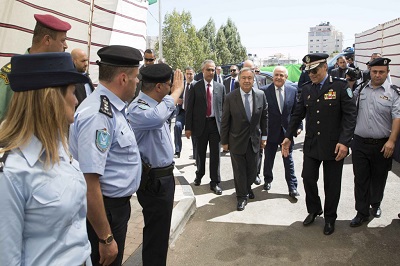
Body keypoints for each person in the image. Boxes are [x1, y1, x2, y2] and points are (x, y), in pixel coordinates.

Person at [0, 52, 91, 265]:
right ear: (51, 98)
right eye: (71, 92)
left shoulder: (59, 149)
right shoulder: (11, 172)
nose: (77, 100)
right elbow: (7, 258)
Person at [69, 45, 142, 266]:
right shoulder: (98, 115)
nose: (137, 82)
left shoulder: (112, 107)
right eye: (135, 77)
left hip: (114, 209)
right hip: (105, 213)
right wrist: (105, 237)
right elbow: (90, 183)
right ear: (122, 78)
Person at [281, 53, 357, 235]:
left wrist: (345, 142)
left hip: (334, 146)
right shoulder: (307, 89)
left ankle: (330, 218)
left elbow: (350, 116)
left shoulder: (339, 86)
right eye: (309, 71)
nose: (312, 75)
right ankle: (314, 209)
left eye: (315, 70)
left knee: (331, 185)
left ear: (324, 67)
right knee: (307, 178)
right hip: (312, 144)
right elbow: (298, 114)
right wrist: (288, 136)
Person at [127, 63, 184, 266]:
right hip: (153, 181)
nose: (171, 89)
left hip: (163, 178)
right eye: (169, 85)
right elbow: (157, 118)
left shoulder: (155, 106)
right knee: (156, 234)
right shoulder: (138, 108)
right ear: (159, 87)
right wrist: (177, 91)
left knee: (160, 233)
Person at [349, 57, 400, 227]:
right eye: (374, 72)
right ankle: (361, 212)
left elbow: (397, 118)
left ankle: (376, 204)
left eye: (381, 72)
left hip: (382, 145)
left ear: (387, 72)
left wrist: (392, 141)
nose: (377, 75)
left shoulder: (393, 92)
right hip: (360, 143)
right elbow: (348, 105)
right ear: (369, 71)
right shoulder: (361, 89)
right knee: (360, 179)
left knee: (379, 178)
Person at [0, 13, 71, 122]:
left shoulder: (52, 74)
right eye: (62, 40)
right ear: (47, 40)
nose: (66, 45)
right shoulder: (11, 74)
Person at [220, 67, 268, 211]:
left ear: (254, 80)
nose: (247, 81)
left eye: (249, 78)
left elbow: (264, 117)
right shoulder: (230, 97)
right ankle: (241, 197)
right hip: (236, 141)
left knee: (253, 170)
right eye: (244, 78)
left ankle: (247, 188)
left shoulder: (261, 95)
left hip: (254, 141)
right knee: (239, 171)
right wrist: (224, 141)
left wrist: (264, 137)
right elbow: (225, 121)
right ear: (239, 80)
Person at [260, 66, 302, 197]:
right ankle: (267, 180)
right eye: (276, 75)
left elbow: (297, 111)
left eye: (281, 75)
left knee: (288, 160)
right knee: (269, 159)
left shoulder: (292, 91)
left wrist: (299, 126)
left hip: (287, 133)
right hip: (270, 132)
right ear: (273, 77)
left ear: (286, 77)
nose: (278, 77)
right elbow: (261, 113)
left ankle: (292, 187)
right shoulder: (264, 91)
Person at [185, 59, 225, 194]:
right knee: (200, 153)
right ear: (203, 71)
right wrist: (188, 127)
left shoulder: (220, 88)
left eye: (213, 70)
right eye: (208, 69)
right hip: (200, 126)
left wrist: (225, 129)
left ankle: (215, 182)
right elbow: (189, 109)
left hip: (215, 126)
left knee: (215, 156)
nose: (211, 72)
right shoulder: (195, 87)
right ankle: (199, 174)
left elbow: (224, 110)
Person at [242, 59, 264, 185]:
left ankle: (256, 173)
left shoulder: (261, 80)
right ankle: (246, 175)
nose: (248, 72)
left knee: (259, 151)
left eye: (251, 69)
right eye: (245, 69)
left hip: (258, 123)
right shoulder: (238, 83)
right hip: (245, 125)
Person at [174, 66, 196, 159]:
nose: (189, 75)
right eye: (187, 73)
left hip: (193, 114)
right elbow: (174, 96)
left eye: (191, 73)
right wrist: (177, 100)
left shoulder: (197, 85)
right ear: (184, 75)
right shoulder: (181, 85)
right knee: (177, 126)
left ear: (194, 74)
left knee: (195, 134)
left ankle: (196, 154)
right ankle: (177, 150)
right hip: (182, 112)